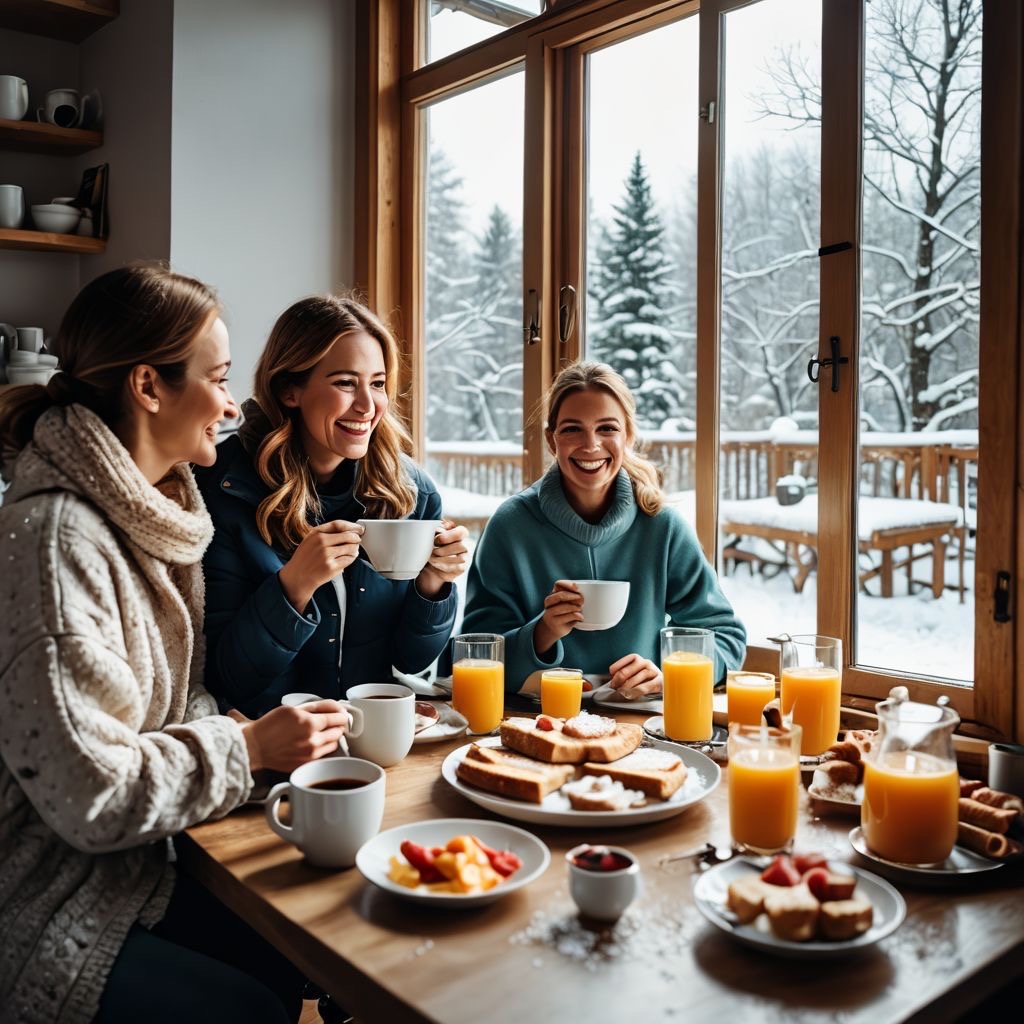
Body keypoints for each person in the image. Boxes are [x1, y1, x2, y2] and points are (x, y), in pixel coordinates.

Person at [0, 265, 355, 1024]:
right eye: (219, 378)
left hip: (141, 864)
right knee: (254, 1008)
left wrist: (249, 742)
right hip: (49, 895)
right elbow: (91, 794)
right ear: (148, 387)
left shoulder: (155, 521)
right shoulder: (60, 541)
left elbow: (180, 701)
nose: (231, 405)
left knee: (313, 952)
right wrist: (249, 747)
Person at [196, 294, 469, 719]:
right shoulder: (224, 489)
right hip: (271, 745)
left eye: (377, 383)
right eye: (345, 382)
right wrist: (293, 588)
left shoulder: (411, 490)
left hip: (375, 733)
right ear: (290, 389)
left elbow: (412, 663)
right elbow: (225, 678)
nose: (367, 405)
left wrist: (433, 587)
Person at [462, 360, 746, 695]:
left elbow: (726, 637)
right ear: (552, 440)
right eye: (572, 429)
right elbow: (473, 653)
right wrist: (542, 633)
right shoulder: (510, 526)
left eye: (607, 428)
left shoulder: (662, 527)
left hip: (641, 725)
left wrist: (671, 675)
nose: (591, 445)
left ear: (629, 436)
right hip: (535, 721)